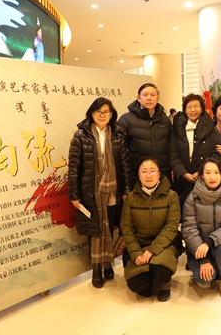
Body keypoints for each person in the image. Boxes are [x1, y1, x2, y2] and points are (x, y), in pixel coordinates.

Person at [68, 97, 132, 288]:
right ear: (91, 113)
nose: (102, 115)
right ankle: (96, 269)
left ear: (112, 115)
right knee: (95, 231)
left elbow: (125, 165)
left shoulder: (118, 135)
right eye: (98, 112)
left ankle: (108, 264)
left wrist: (126, 190)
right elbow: (74, 167)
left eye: (106, 112)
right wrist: (74, 195)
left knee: (109, 228)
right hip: (90, 192)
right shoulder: (81, 136)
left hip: (112, 191)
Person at [181, 158, 221, 302]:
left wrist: (210, 242)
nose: (212, 177)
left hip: (220, 244)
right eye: (208, 173)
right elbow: (189, 229)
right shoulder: (192, 198)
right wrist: (203, 259)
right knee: (204, 282)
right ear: (202, 175)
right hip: (198, 249)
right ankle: (210, 268)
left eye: (216, 172)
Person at [121, 158, 181, 301]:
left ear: (159, 174)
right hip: (140, 245)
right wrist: (136, 254)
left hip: (164, 245)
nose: (148, 175)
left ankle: (164, 283)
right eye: (144, 171)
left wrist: (151, 251)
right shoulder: (130, 198)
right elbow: (126, 228)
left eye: (152, 171)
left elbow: (171, 227)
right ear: (138, 175)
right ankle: (153, 279)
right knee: (138, 285)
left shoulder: (172, 196)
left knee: (161, 269)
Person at [170, 93, 221, 205]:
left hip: (205, 178)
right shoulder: (178, 129)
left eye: (196, 106)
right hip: (182, 180)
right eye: (189, 107)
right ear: (185, 110)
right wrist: (183, 173)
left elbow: (217, 153)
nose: (192, 110)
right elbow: (173, 154)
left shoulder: (212, 130)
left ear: (202, 108)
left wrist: (201, 171)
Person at [118, 83, 173, 181]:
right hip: (137, 176)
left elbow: (171, 146)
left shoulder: (165, 120)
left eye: (152, 95)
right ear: (138, 98)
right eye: (145, 95)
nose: (149, 98)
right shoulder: (126, 120)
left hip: (162, 175)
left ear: (158, 99)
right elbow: (120, 151)